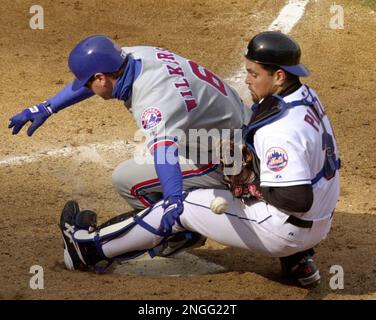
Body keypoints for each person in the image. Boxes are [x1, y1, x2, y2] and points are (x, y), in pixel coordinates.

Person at [58, 31, 340, 288]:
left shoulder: (278, 131)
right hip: (318, 223)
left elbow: (297, 199)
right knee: (205, 189)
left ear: (279, 76)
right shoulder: (304, 98)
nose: (246, 80)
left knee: (180, 206)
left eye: (254, 73)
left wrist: (255, 189)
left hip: (284, 229)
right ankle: (298, 260)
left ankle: (86, 250)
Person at [9, 35, 252, 244]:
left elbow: (165, 153)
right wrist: (48, 107)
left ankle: (181, 233)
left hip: (230, 160)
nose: (86, 87)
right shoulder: (134, 56)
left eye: (88, 83)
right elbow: (94, 76)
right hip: (241, 127)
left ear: (101, 78)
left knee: (127, 181)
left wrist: (172, 200)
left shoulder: (152, 102)